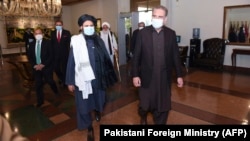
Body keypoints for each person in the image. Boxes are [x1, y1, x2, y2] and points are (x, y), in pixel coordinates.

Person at [65, 14, 117, 141]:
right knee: (84, 105)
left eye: (91, 26)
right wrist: (70, 81)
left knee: (99, 100)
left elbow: (105, 59)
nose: (89, 28)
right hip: (83, 80)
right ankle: (89, 127)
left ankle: (98, 111)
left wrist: (110, 76)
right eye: (86, 26)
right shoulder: (76, 41)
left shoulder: (98, 40)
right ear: (81, 27)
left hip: (98, 79)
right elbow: (71, 62)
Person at [131, 5, 184, 125]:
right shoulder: (143, 33)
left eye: (160, 16)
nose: (156, 18)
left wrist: (179, 75)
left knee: (162, 106)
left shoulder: (171, 34)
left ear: (165, 19)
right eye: (154, 16)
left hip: (164, 78)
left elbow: (176, 56)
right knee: (145, 105)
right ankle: (143, 116)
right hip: (146, 77)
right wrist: (135, 75)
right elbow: (136, 56)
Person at [27, 27, 60, 107]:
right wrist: (34, 65)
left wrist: (42, 64)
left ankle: (55, 90)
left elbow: (51, 55)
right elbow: (30, 56)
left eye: (39, 33)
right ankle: (40, 101)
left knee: (50, 81)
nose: (38, 35)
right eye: (36, 33)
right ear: (34, 35)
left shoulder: (48, 43)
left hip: (47, 66)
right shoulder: (31, 45)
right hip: (36, 68)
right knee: (38, 84)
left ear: (42, 34)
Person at [50, 20, 71, 87]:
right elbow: (52, 44)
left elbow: (69, 44)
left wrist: (70, 53)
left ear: (62, 25)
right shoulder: (52, 33)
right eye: (57, 25)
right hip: (55, 55)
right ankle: (62, 78)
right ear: (55, 25)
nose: (58, 26)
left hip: (64, 54)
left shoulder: (67, 33)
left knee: (64, 68)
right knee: (56, 68)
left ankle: (65, 82)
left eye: (59, 25)